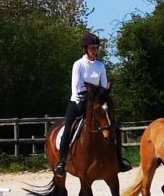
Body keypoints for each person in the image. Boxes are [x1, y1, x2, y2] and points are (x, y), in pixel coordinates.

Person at [54, 32, 131, 176]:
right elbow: (76, 88)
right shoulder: (78, 65)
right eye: (92, 48)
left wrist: (104, 93)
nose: (94, 50)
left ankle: (118, 160)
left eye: (96, 48)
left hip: (97, 101)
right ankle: (61, 161)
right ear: (85, 49)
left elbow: (103, 85)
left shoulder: (100, 65)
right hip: (79, 101)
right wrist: (90, 97)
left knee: (113, 126)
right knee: (68, 129)